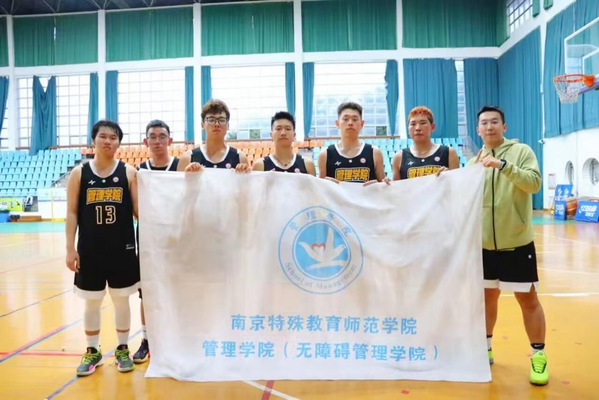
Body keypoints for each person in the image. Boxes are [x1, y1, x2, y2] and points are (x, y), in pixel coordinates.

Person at [468, 105, 548, 386]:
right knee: (487, 299)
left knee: (528, 300)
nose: (489, 127)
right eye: (484, 123)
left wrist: (503, 165)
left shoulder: (522, 152)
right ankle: (486, 348)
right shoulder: (473, 162)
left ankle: (538, 356)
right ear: (477, 129)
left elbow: (534, 184)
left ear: (504, 127)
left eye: (494, 122)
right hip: (483, 247)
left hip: (517, 244)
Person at [65, 120, 139, 376]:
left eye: (113, 137)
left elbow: (140, 212)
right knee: (92, 302)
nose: (108, 141)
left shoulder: (129, 172)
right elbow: (72, 213)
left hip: (122, 249)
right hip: (90, 249)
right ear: (93, 141)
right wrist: (70, 248)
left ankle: (122, 349)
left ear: (119, 143)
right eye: (103, 136)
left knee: (121, 300)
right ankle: (92, 350)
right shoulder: (80, 173)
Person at [132, 119, 178, 364]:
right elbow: (136, 209)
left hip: (177, 239)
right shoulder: (139, 172)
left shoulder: (181, 167)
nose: (157, 141)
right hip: (149, 240)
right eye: (153, 137)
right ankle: (147, 339)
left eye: (162, 136)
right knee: (147, 292)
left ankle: (178, 338)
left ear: (170, 140)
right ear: (145, 141)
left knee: (179, 289)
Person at [317, 102, 388, 184]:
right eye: (345, 119)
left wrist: (385, 182)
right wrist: (325, 184)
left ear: (362, 124)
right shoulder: (325, 154)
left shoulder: (374, 153)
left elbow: (383, 185)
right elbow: (320, 188)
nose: (350, 123)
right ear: (337, 123)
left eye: (354, 119)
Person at [178, 99, 249, 172]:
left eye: (221, 120)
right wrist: (188, 176)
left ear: (228, 126)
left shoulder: (240, 158)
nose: (217, 124)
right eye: (211, 120)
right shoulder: (187, 159)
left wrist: (242, 174)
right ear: (202, 125)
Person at [392, 106, 459, 180]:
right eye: (413, 124)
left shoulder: (449, 153)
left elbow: (457, 184)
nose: (417, 128)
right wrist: (386, 183)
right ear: (408, 129)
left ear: (432, 127)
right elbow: (395, 187)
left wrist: (449, 176)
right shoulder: (399, 157)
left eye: (423, 123)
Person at [252, 111, 315, 176]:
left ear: (294, 135)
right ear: (271, 135)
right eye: (278, 129)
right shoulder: (260, 166)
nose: (283, 133)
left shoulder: (307, 165)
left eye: (288, 129)